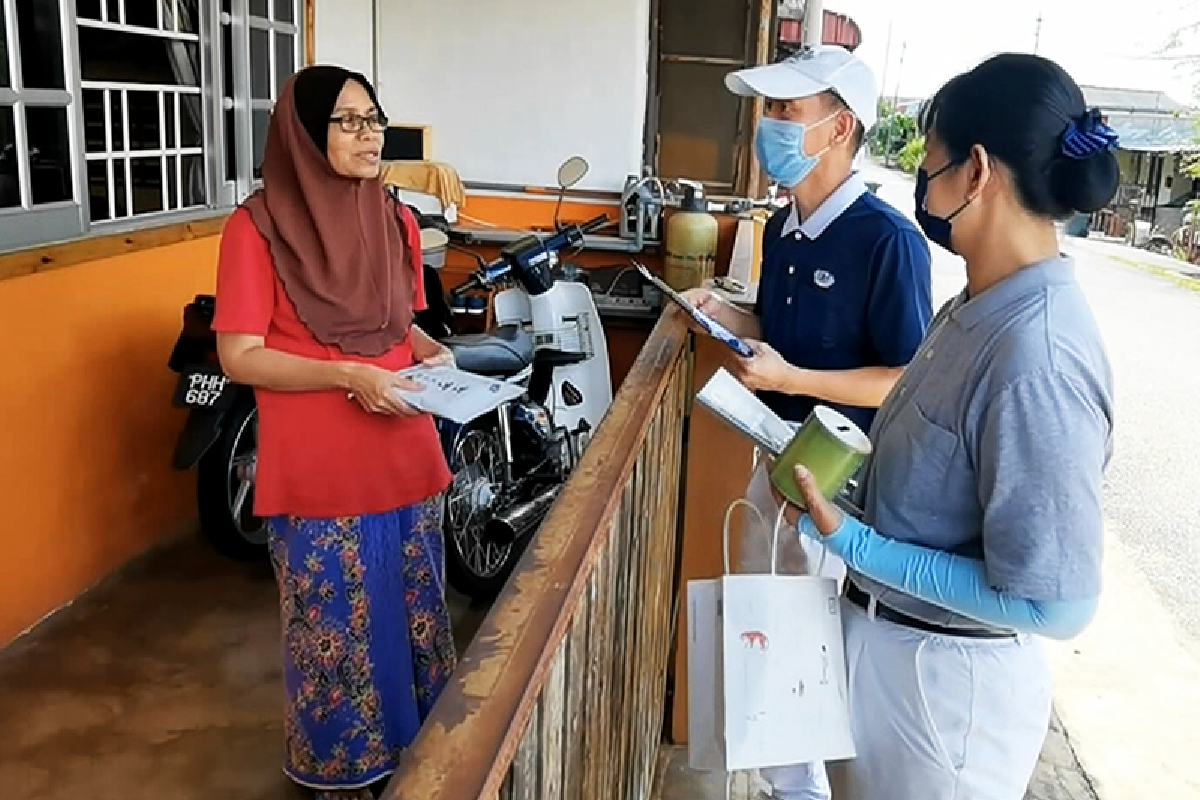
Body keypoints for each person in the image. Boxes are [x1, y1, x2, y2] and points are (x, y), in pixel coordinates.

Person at [775, 53, 1118, 800]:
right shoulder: (975, 303)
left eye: (930, 165)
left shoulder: (1041, 355)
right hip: (886, 650)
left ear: (978, 172)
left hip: (946, 693)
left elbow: (1054, 604)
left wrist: (855, 542)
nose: (922, 187)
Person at [212, 65, 458, 800]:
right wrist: (349, 377)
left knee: (415, 614)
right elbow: (240, 355)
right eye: (347, 121)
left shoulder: (394, 218)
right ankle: (345, 775)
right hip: (321, 468)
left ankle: (421, 765)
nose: (368, 134)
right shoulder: (254, 229)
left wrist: (430, 352)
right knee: (337, 634)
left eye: (373, 118)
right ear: (303, 134)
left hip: (406, 452)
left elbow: (396, 323)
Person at [685, 44, 932, 437]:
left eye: (788, 108)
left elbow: (903, 380)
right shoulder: (780, 225)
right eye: (770, 107)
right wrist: (721, 315)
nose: (770, 120)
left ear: (840, 128)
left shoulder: (890, 241)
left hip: (842, 469)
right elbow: (779, 331)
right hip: (769, 444)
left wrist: (790, 381)